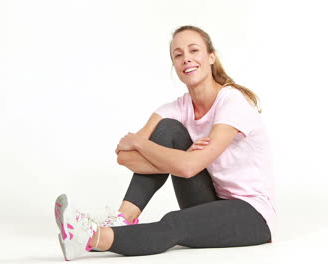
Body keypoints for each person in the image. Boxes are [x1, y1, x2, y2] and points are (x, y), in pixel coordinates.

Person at [53, 25, 276, 261]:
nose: (186, 59)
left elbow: (188, 168)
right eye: (178, 55)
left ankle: (93, 239)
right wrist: (180, 158)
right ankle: (122, 219)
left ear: (211, 57)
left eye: (194, 50)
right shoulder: (178, 108)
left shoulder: (232, 103)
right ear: (174, 65)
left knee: (175, 222)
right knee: (167, 130)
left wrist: (144, 145)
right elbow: (124, 157)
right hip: (210, 199)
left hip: (252, 214)